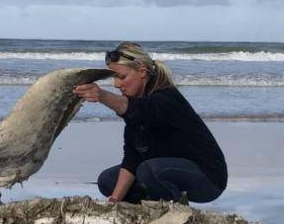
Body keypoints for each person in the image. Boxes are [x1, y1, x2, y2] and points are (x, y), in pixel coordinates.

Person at [72, 42, 227, 204]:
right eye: (114, 78)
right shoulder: (136, 107)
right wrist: (115, 200)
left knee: (148, 171)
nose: (116, 84)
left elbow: (139, 110)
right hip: (162, 171)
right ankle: (150, 205)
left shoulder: (166, 98)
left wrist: (102, 95)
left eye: (122, 77)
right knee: (108, 180)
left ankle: (176, 209)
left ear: (142, 72)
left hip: (208, 179)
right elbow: (132, 160)